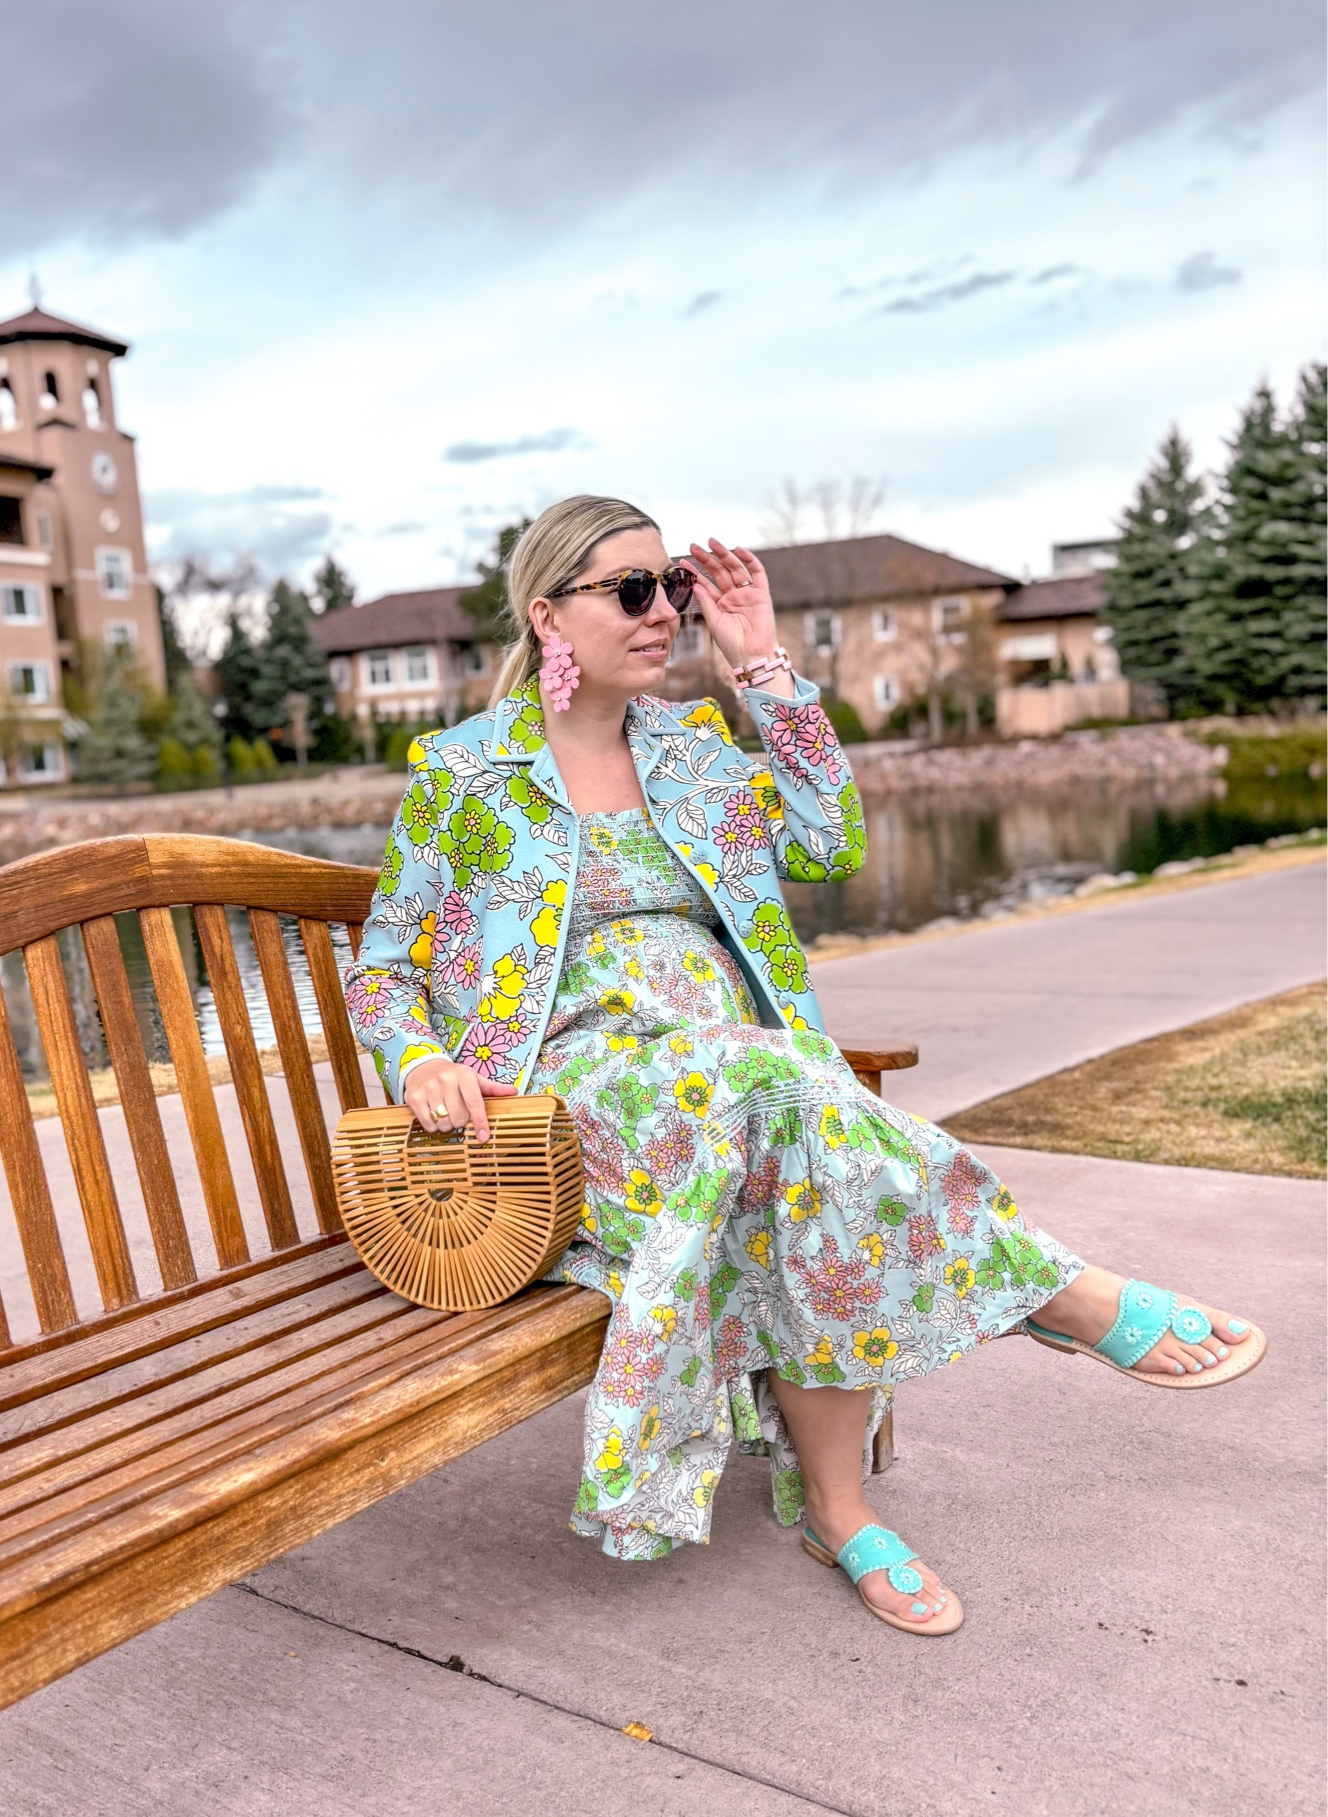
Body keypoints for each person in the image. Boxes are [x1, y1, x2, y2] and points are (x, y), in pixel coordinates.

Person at [344, 495, 1264, 1636]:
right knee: (784, 1089)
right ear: (549, 614)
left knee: (798, 1135)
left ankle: (838, 1504)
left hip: (744, 1087)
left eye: (671, 588)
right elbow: (384, 967)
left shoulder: (695, 751)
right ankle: (1051, 1291)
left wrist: (762, 664)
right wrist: (423, 1053)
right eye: (631, 591)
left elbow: (830, 843)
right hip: (578, 1097)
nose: (662, 612)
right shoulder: (466, 776)